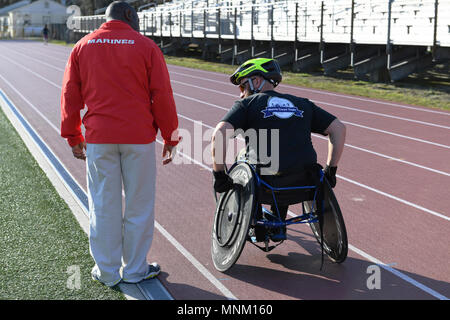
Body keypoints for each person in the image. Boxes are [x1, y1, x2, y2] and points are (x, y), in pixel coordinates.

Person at [60, 1, 180, 287]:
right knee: (139, 205)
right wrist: (170, 135)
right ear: (128, 14)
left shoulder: (83, 46)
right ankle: (135, 270)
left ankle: (107, 271)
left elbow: (69, 94)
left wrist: (72, 135)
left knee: (103, 204)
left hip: (100, 138)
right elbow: (161, 94)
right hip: (138, 139)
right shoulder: (146, 46)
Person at [211, 57, 346, 241]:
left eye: (242, 87)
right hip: (304, 184)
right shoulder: (303, 104)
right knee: (286, 159)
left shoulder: (246, 105)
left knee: (244, 157)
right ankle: (278, 224)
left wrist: (219, 175)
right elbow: (339, 128)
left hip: (264, 187)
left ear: (256, 81)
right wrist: (331, 170)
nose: (241, 94)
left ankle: (255, 224)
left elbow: (219, 134)